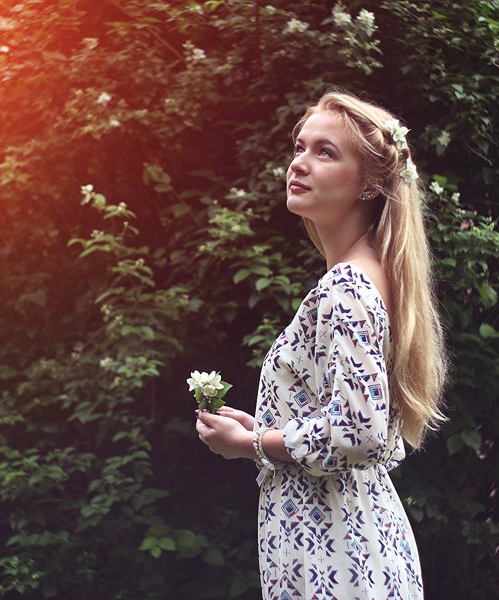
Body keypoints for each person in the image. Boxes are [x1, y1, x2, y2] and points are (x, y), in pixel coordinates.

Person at [194, 88, 448, 599]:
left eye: (324, 152)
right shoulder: (372, 276)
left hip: (336, 552)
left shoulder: (347, 288)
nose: (299, 163)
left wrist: (250, 445)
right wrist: (269, 427)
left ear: (370, 185)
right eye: (299, 147)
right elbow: (347, 421)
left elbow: (361, 432)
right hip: (348, 543)